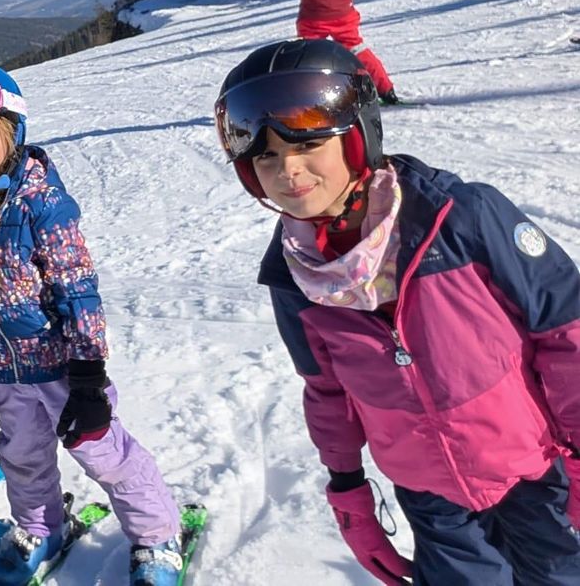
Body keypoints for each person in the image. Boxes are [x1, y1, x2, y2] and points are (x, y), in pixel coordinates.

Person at [214, 38, 580, 585]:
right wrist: (348, 491)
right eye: (266, 155)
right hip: (431, 499)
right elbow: (327, 391)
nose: (289, 170)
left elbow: (565, 332)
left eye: (310, 143)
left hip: (534, 473)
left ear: (358, 137)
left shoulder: (461, 219)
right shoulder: (293, 277)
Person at [0, 62, 185, 586]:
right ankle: (41, 528)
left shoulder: (40, 203)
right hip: (3, 372)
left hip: (62, 367)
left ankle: (157, 537)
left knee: (104, 453)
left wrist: (87, 374)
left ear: (12, 132)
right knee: (22, 459)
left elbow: (76, 288)